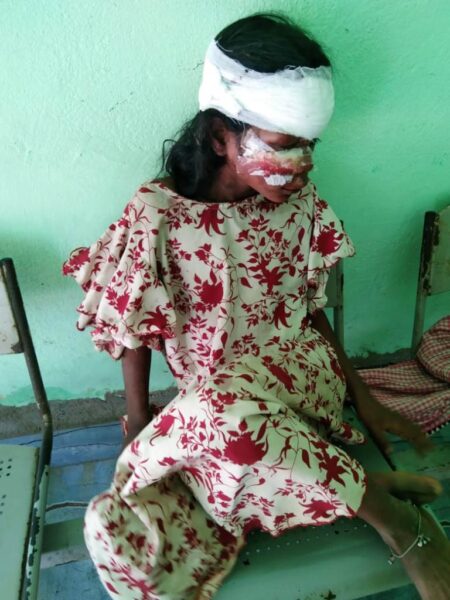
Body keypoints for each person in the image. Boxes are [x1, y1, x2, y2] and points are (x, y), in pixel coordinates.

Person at [63, 13, 450, 600]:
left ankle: (398, 523)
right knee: (120, 524)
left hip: (298, 380)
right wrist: (140, 428)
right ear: (222, 137)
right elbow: (133, 325)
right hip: (214, 414)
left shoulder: (297, 203)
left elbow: (309, 309)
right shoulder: (155, 215)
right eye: (286, 145)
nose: (304, 164)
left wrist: (362, 396)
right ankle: (352, 485)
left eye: (310, 146)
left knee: (220, 429)